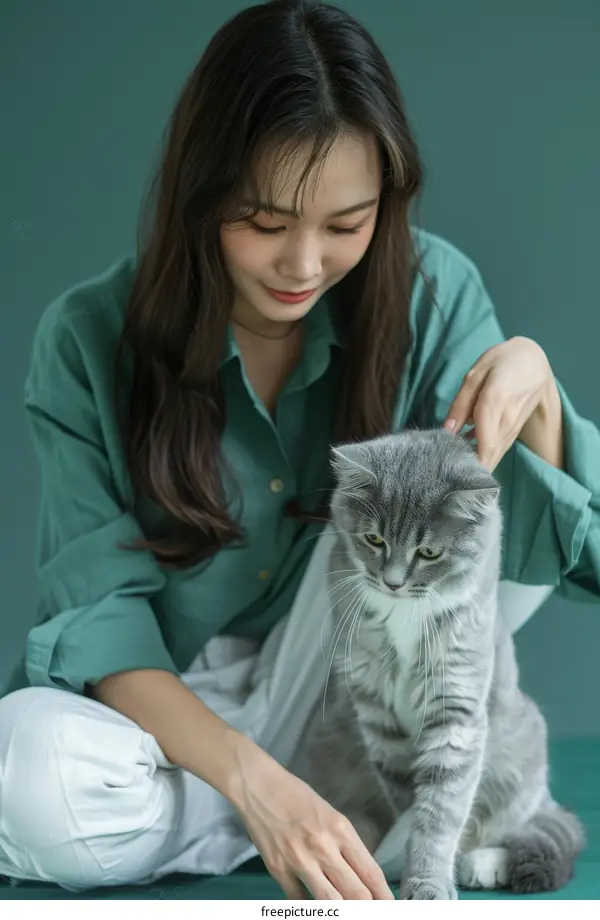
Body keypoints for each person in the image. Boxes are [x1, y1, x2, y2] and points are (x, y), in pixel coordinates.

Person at [1, 0, 599, 900]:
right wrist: (254, 781)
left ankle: (299, 817)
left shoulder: (434, 297)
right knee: (26, 771)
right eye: (265, 221)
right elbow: (99, 622)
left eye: (346, 224)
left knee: (446, 514)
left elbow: (550, 563)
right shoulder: (86, 338)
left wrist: (538, 388)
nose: (304, 265)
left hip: (375, 676)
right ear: (201, 193)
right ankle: (320, 821)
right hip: (184, 711)